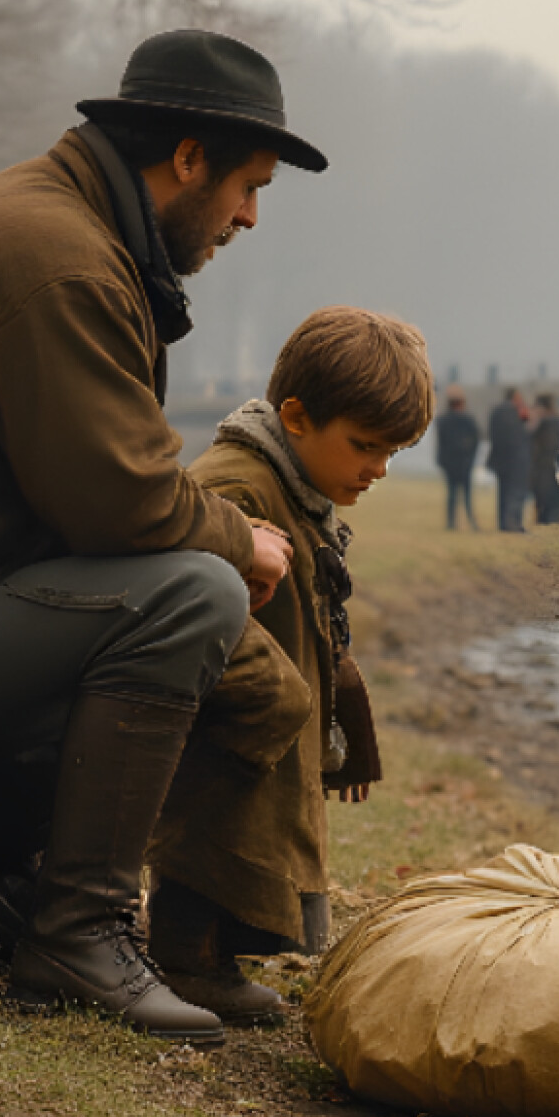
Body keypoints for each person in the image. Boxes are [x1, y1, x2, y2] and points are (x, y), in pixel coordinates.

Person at [0, 29, 325, 1044]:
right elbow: (119, 504)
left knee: (196, 591)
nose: (250, 215)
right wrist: (243, 540)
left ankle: (38, 881)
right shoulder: (58, 258)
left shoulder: (54, 223)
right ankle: (76, 930)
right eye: (247, 185)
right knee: (194, 593)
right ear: (185, 158)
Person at [146, 307, 433, 1023]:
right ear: (297, 417)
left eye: (393, 452)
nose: (378, 468)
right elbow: (183, 590)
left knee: (256, 837)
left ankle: (219, 959)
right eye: (366, 445)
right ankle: (187, 963)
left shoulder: (301, 486)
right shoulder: (235, 486)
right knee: (211, 839)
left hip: (269, 726)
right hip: (233, 721)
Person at [435, 385, 480, 530]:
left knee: (452, 494)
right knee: (466, 495)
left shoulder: (443, 420)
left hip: (450, 463)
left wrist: (441, 460)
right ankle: (471, 522)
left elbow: (441, 443)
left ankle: (451, 523)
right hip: (464, 463)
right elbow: (475, 441)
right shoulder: (468, 420)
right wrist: (471, 458)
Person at [487, 388, 531, 532]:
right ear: (515, 397)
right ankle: (513, 524)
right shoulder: (514, 411)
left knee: (503, 493)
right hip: (514, 459)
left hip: (499, 458)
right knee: (515, 492)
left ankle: (503, 524)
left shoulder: (496, 411)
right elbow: (520, 434)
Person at [529, 392, 559, 525]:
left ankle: (543, 518)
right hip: (554, 462)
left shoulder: (544, 422)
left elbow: (532, 439)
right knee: (552, 495)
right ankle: (549, 518)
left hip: (543, 463)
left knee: (542, 494)